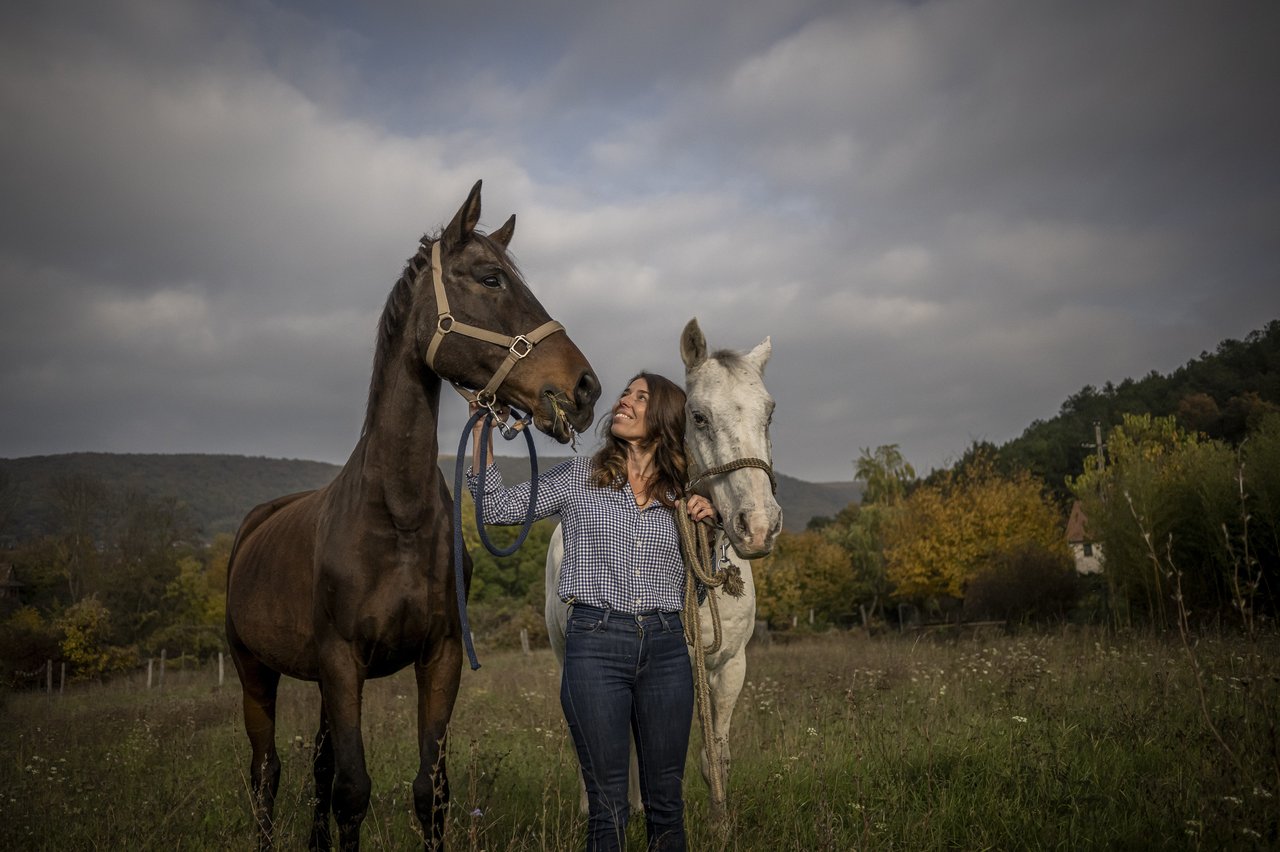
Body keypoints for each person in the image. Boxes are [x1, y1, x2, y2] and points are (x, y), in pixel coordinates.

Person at [467, 372, 716, 852]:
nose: (624, 400)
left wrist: (707, 529)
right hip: (596, 646)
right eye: (627, 393)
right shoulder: (581, 476)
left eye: (640, 397)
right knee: (608, 804)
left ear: (664, 418)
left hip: (666, 650)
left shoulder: (682, 495)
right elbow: (497, 506)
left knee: (666, 803)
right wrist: (482, 430)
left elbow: (697, 595)